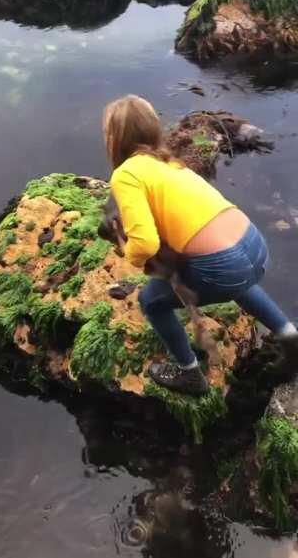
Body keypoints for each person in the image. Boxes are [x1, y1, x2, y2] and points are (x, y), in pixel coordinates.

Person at [103, 94, 298, 396]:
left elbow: (144, 242)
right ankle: (289, 335)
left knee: (151, 302)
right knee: (238, 281)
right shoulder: (172, 165)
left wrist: (127, 253)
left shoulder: (126, 174)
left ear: (114, 137)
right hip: (254, 244)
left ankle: (189, 374)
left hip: (224, 265)